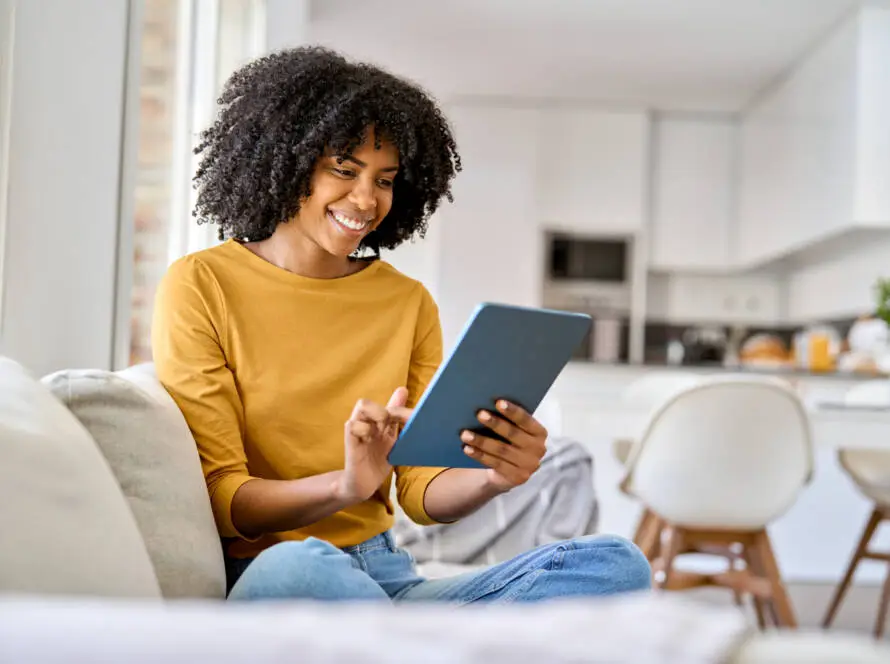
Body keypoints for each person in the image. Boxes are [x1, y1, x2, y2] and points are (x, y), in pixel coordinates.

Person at [152, 45, 651, 603]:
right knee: (303, 566)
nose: (366, 200)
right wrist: (344, 487)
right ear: (287, 162)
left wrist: (495, 476)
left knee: (614, 564)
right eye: (344, 170)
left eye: (385, 180)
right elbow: (225, 499)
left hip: (383, 575)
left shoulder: (407, 302)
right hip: (277, 572)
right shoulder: (202, 284)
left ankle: (402, 640)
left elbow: (419, 489)